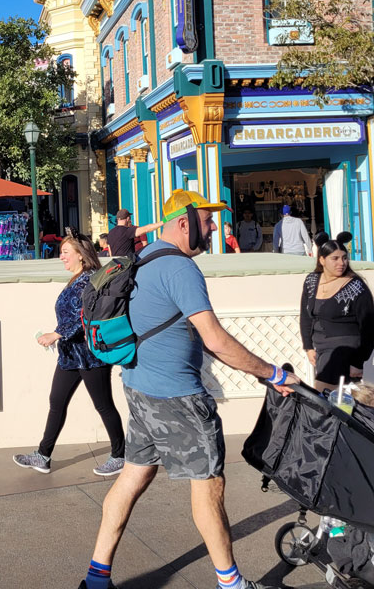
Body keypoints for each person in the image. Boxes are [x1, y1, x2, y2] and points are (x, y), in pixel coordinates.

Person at [81, 190, 298, 589]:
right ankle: (230, 583)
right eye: (208, 220)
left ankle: (96, 578)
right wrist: (273, 374)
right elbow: (215, 340)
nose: (213, 226)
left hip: (138, 387)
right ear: (185, 222)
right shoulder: (180, 269)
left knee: (132, 476)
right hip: (177, 398)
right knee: (209, 483)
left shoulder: (142, 258)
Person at [13, 235, 125, 478]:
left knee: (103, 405)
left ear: (81, 256)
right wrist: (57, 335)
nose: (61, 256)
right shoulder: (77, 279)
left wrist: (56, 334)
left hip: (90, 355)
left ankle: (120, 455)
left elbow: (82, 317)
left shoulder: (88, 281)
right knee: (57, 401)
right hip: (70, 354)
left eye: (65, 252)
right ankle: (43, 456)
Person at [299, 232, 374, 393]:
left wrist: (358, 361)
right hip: (321, 349)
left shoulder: (356, 286)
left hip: (344, 350)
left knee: (323, 399)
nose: (341, 263)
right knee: (338, 403)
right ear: (322, 260)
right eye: (334, 258)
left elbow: (369, 327)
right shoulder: (311, 281)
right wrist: (308, 346)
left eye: (344, 257)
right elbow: (306, 316)